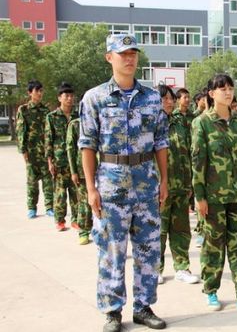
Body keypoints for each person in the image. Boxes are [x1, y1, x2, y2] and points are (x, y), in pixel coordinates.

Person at [78, 34, 168, 332]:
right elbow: (87, 145)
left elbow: (161, 142)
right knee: (112, 250)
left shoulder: (152, 97)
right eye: (122, 54)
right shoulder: (95, 98)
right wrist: (91, 188)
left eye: (133, 53)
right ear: (109, 57)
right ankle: (112, 311)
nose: (129, 59)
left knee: (149, 249)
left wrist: (164, 181)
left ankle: (144, 307)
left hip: (146, 182)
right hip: (111, 184)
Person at [191, 74, 237, 314]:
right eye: (222, 89)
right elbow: (198, 161)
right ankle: (211, 291)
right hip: (213, 197)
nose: (227, 92)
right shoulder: (202, 123)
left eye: (230, 88)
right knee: (214, 245)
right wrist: (199, 196)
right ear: (211, 94)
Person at [157, 84, 199, 285]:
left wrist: (190, 182)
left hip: (181, 185)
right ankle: (156, 269)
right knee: (159, 230)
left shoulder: (181, 123)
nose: (168, 102)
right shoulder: (151, 123)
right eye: (163, 99)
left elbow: (190, 153)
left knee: (181, 229)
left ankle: (182, 267)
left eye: (170, 99)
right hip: (159, 188)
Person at [15, 80, 54, 219]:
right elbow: (21, 131)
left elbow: (50, 132)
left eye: (41, 91)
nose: (39, 93)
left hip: (44, 152)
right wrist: (23, 150)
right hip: (31, 152)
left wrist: (51, 151)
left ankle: (50, 207)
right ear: (30, 93)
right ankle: (32, 208)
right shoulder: (23, 110)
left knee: (48, 181)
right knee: (32, 181)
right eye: (37, 91)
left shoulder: (46, 111)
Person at [45, 82, 79, 231]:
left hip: (75, 161)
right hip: (59, 161)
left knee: (76, 193)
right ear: (60, 98)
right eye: (66, 96)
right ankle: (59, 220)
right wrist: (49, 162)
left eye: (71, 96)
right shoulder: (52, 117)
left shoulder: (77, 116)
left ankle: (76, 219)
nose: (69, 99)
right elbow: (48, 140)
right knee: (59, 193)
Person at [66, 115, 93, 245]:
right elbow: (70, 148)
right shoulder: (76, 124)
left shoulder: (103, 119)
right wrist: (73, 171)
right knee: (84, 203)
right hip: (83, 170)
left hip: (104, 170)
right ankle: (83, 231)